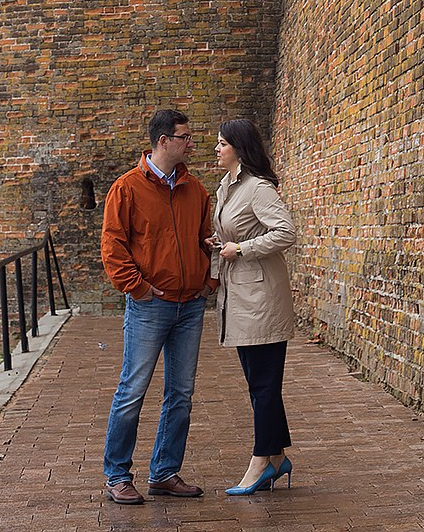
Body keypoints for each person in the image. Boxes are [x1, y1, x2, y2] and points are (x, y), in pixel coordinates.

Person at [100, 109, 214, 505]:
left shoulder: (195, 190)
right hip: (150, 306)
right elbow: (113, 247)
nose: (191, 144)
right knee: (133, 390)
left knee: (181, 393)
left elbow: (206, 240)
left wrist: (208, 282)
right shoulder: (127, 188)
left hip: (190, 306)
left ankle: (164, 472)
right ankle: (117, 475)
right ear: (163, 141)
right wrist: (139, 289)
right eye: (185, 137)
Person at [212, 117, 297, 495]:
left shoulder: (258, 188)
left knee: (264, 385)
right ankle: (277, 458)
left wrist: (242, 248)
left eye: (222, 143)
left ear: (239, 148)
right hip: (241, 297)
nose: (217, 149)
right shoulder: (227, 187)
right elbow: (236, 233)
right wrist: (221, 244)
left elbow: (286, 232)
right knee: (259, 384)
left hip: (262, 300)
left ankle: (261, 461)